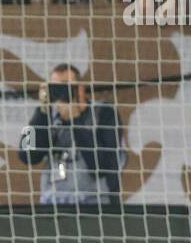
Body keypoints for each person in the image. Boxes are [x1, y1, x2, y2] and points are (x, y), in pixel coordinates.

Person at [17, 64, 122, 205]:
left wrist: (75, 120)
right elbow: (25, 155)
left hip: (96, 202)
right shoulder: (45, 116)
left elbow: (104, 164)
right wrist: (42, 111)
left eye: (66, 87)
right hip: (53, 202)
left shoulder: (104, 112)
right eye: (55, 88)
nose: (61, 93)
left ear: (80, 88)